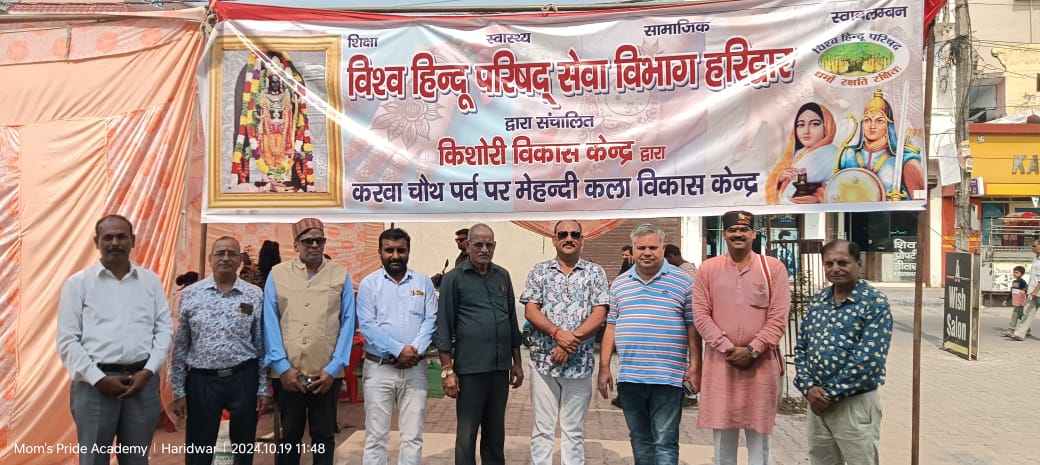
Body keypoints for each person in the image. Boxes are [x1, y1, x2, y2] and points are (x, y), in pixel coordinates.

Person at [56, 214, 173, 465]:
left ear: (133, 240)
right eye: (108, 237)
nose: (115, 243)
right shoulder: (77, 284)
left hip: (142, 383)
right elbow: (68, 340)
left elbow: (164, 330)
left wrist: (148, 371)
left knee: (136, 460)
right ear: (96, 242)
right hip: (94, 385)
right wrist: (98, 379)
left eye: (122, 237)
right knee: (93, 460)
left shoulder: (150, 282)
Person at [597, 223, 701, 465]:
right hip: (630, 379)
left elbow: (692, 326)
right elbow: (611, 327)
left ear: (663, 249)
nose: (646, 252)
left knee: (665, 441)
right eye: (641, 247)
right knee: (639, 439)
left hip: (668, 379)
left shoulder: (683, 282)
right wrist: (604, 367)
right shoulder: (620, 284)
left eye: (652, 247)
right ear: (633, 250)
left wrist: (696, 366)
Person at [692, 211, 790, 465]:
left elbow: (779, 317)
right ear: (724, 234)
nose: (738, 234)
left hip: (761, 365)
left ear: (754, 234)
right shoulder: (708, 269)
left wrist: (753, 350)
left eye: (744, 229)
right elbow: (700, 315)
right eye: (732, 230)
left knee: (760, 441)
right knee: (723, 442)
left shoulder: (773, 268)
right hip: (721, 365)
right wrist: (727, 348)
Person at [262, 218, 356, 465]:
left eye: (319, 240)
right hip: (288, 374)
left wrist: (334, 368)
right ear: (296, 245)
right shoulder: (278, 275)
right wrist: (282, 367)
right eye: (307, 241)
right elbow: (269, 322)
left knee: (323, 435)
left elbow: (348, 323)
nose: (314, 245)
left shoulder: (340, 275)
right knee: (289, 435)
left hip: (326, 374)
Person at [169, 237, 269, 465]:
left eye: (232, 254)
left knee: (243, 447)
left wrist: (263, 387)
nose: (225, 258)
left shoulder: (253, 295)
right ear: (210, 259)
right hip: (202, 381)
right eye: (220, 253)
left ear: (240, 260)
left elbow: (261, 343)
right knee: (199, 449)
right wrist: (178, 390)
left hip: (243, 378)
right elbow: (181, 345)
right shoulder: (191, 294)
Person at [794, 239, 892, 465]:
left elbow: (869, 361)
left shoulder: (874, 302)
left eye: (842, 263)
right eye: (829, 264)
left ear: (858, 264)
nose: (835, 268)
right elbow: (801, 349)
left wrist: (828, 394)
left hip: (853, 403)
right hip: (816, 404)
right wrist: (808, 388)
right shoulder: (819, 300)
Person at [520, 220, 609, 465]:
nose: (568, 238)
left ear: (582, 240)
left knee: (573, 431)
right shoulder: (539, 271)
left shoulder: (595, 272)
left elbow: (600, 312)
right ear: (554, 239)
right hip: (544, 364)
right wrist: (557, 334)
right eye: (562, 234)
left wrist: (571, 341)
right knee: (542, 430)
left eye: (574, 234)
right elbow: (531, 310)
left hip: (579, 365)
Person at [435, 223, 524, 465]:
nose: (484, 249)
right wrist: (447, 371)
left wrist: (517, 362)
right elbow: (444, 326)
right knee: (467, 434)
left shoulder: (502, 276)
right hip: (470, 370)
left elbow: (511, 320)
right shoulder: (453, 279)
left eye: (489, 245)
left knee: (495, 434)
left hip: (499, 368)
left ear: (494, 246)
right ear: (467, 246)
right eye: (478, 244)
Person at [356, 228, 438, 465]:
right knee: (375, 437)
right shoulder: (369, 285)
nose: (395, 255)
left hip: (415, 369)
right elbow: (368, 326)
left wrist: (413, 351)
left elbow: (431, 320)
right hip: (379, 368)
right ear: (380, 252)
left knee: (413, 437)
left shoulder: (423, 282)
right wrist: (399, 350)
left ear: (408, 251)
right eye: (389, 250)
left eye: (400, 250)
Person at [231, 51, 315, 192]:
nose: (275, 83)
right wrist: (261, 116)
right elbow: (256, 110)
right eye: (272, 80)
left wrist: (289, 109)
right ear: (267, 80)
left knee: (284, 150)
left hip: (283, 128)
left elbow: (291, 110)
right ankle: (268, 177)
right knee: (267, 150)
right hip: (267, 128)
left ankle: (283, 177)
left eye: (277, 80)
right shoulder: (263, 94)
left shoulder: (285, 94)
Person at [834, 88, 925, 200]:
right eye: (867, 120)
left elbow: (920, 200)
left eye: (879, 121)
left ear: (888, 125)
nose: (872, 126)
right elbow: (833, 191)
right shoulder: (848, 154)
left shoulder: (904, 159)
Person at [766, 102, 839, 204]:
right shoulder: (795, 154)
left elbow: (845, 190)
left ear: (827, 125)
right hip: (786, 211)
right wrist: (780, 179)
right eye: (801, 125)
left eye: (814, 124)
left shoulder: (835, 155)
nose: (806, 131)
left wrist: (818, 199)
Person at [1008, 239, 1040, 341]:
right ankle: (1019, 334)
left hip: (1037, 291)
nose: (1032, 248)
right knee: (1026, 312)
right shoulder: (1035, 258)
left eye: (1034, 246)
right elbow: (1033, 277)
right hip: (1032, 291)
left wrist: (1035, 291)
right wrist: (1028, 289)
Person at [1005, 265, 1028, 335]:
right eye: (1014, 272)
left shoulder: (1023, 282)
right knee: (1021, 316)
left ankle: (1011, 330)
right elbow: (1011, 292)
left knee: (1015, 315)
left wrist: (1024, 291)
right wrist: (1006, 300)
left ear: (1022, 274)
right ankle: (1027, 330)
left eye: (1017, 272)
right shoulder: (1014, 282)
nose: (1015, 274)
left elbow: (1027, 289)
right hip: (1015, 302)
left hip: (1021, 302)